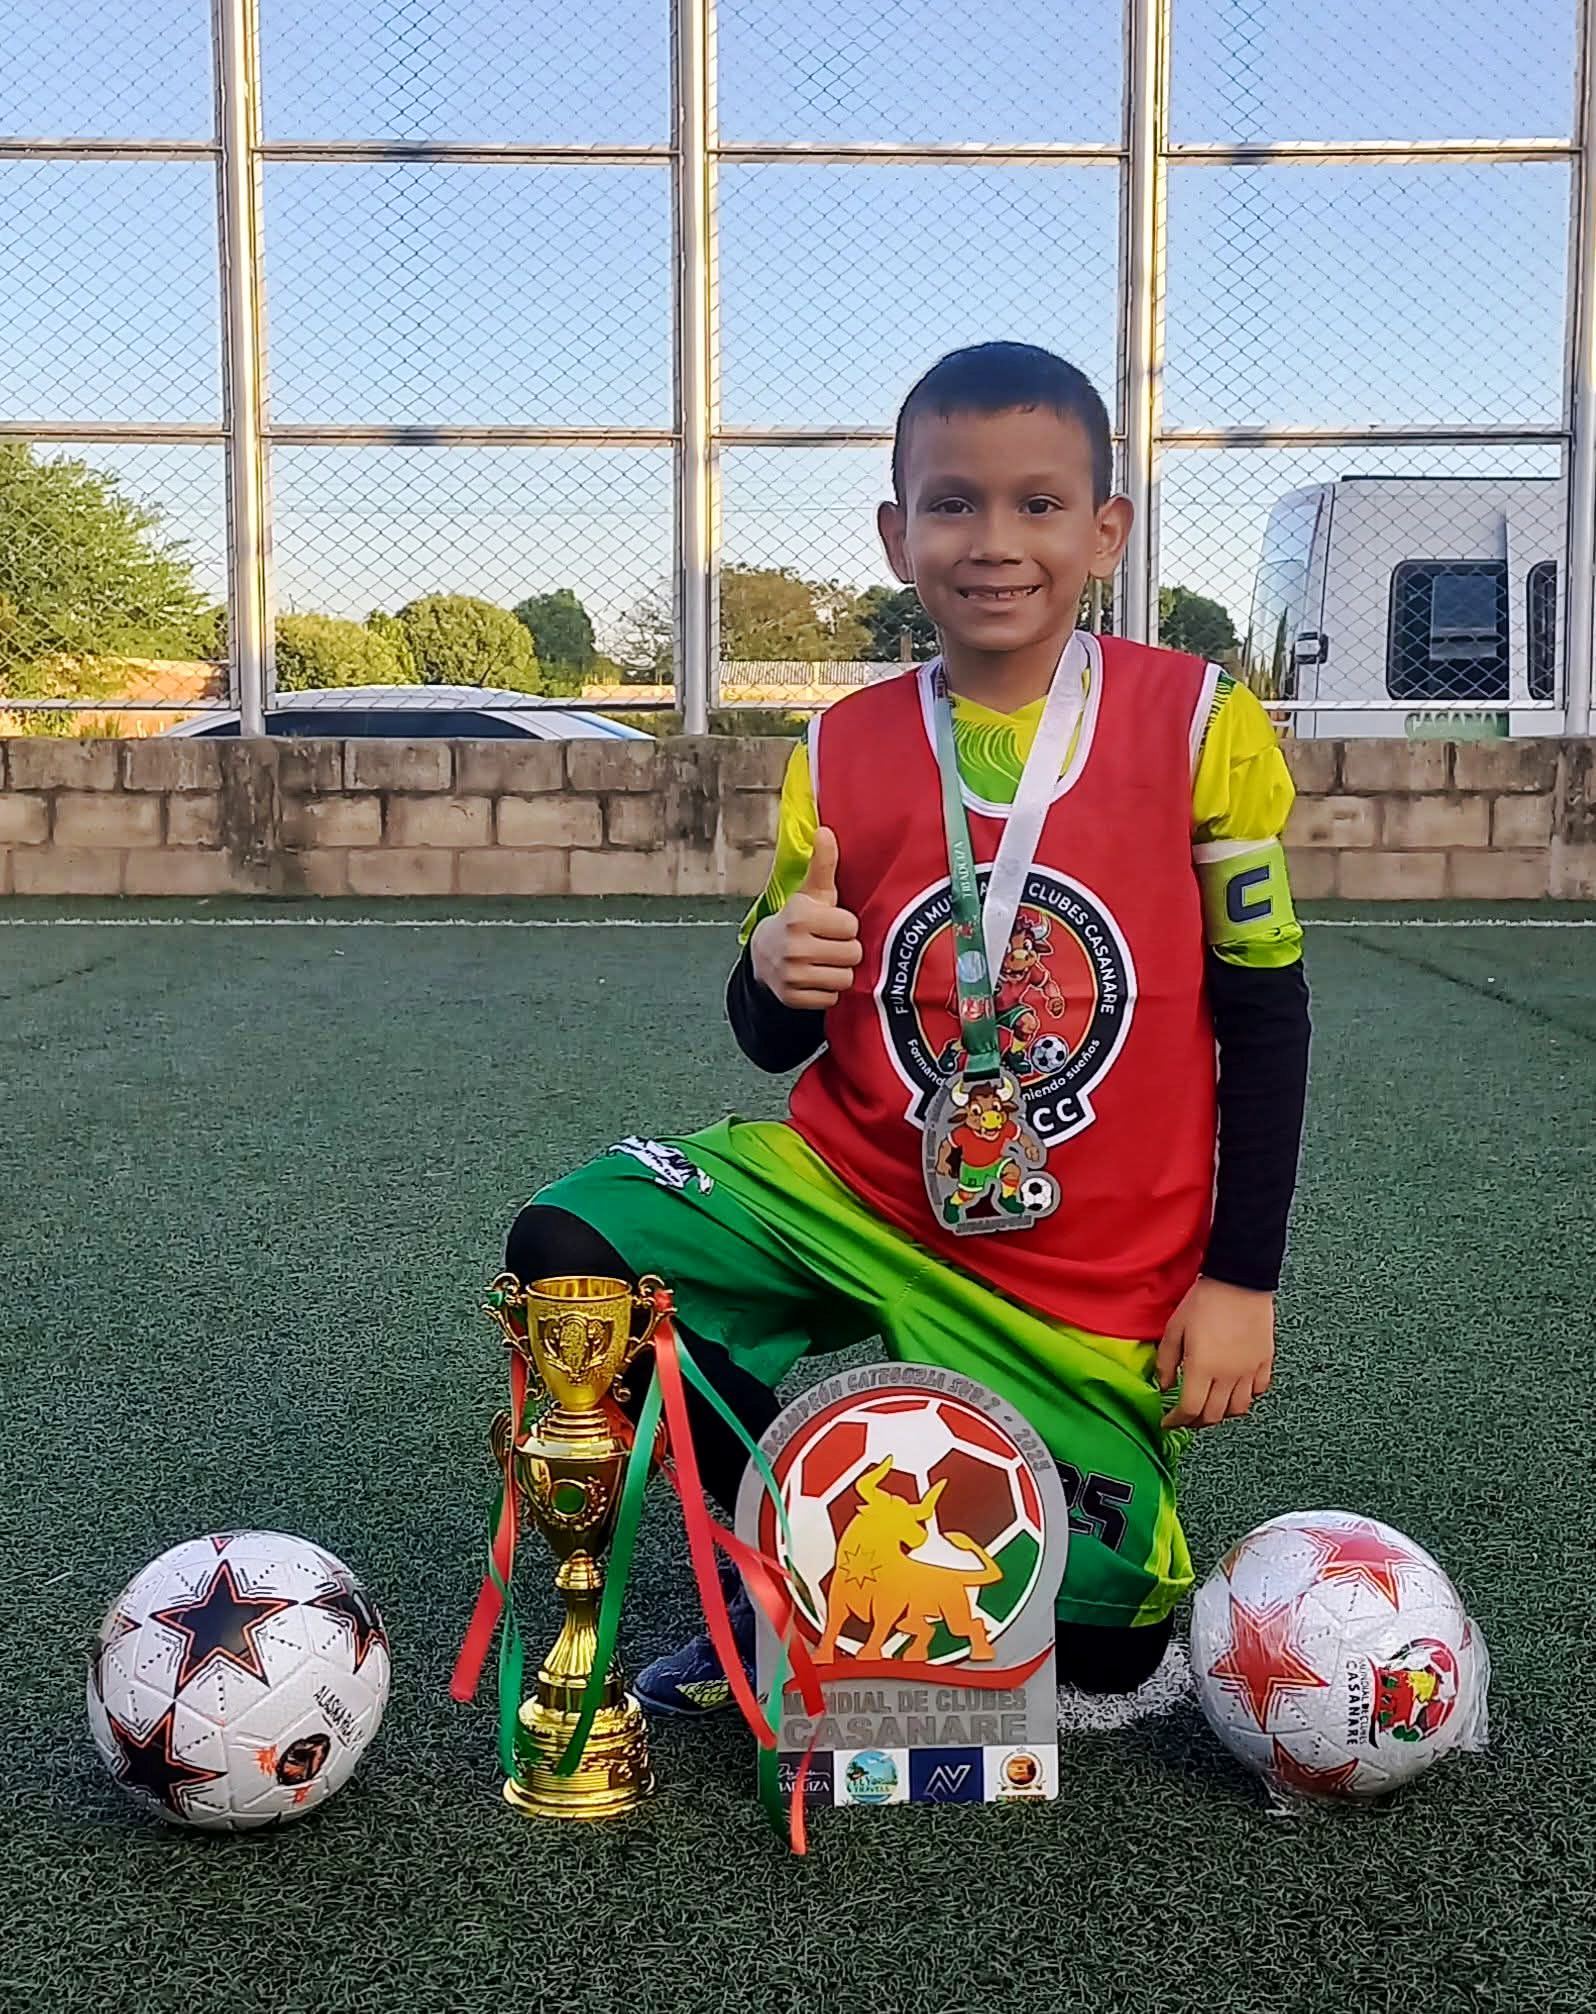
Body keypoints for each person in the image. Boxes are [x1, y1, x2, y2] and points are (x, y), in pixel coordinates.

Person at [506, 342, 1311, 1714]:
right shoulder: (841, 746)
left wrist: (1242, 1279)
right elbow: (771, 1034)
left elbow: (1267, 1007)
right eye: (952, 504)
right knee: (576, 1249)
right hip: (857, 1189)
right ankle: (780, 1566)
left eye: (1039, 504)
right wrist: (773, 969)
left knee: (1103, 1643)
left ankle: (928, 1499)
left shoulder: (1198, 725)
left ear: (1106, 531)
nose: (994, 541)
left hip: (1080, 1276)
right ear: (897, 535)